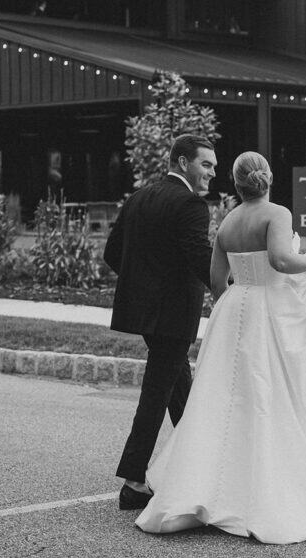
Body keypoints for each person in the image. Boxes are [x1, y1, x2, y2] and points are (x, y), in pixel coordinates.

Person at [135, 151, 306, 544]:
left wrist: (242, 292)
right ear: (269, 178)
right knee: (276, 398)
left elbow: (215, 279)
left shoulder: (227, 222)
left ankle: (209, 487)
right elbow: (282, 260)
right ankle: (265, 497)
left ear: (237, 183)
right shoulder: (276, 214)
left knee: (227, 400)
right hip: (269, 312)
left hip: (234, 310)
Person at [103, 134, 217, 511]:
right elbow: (202, 260)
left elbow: (112, 253)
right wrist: (233, 290)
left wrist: (144, 285)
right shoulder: (190, 205)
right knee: (156, 393)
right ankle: (134, 481)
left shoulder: (138, 197)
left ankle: (197, 466)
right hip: (172, 314)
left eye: (214, 167)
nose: (212, 173)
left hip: (146, 312)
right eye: (206, 164)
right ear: (183, 162)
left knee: (177, 387)